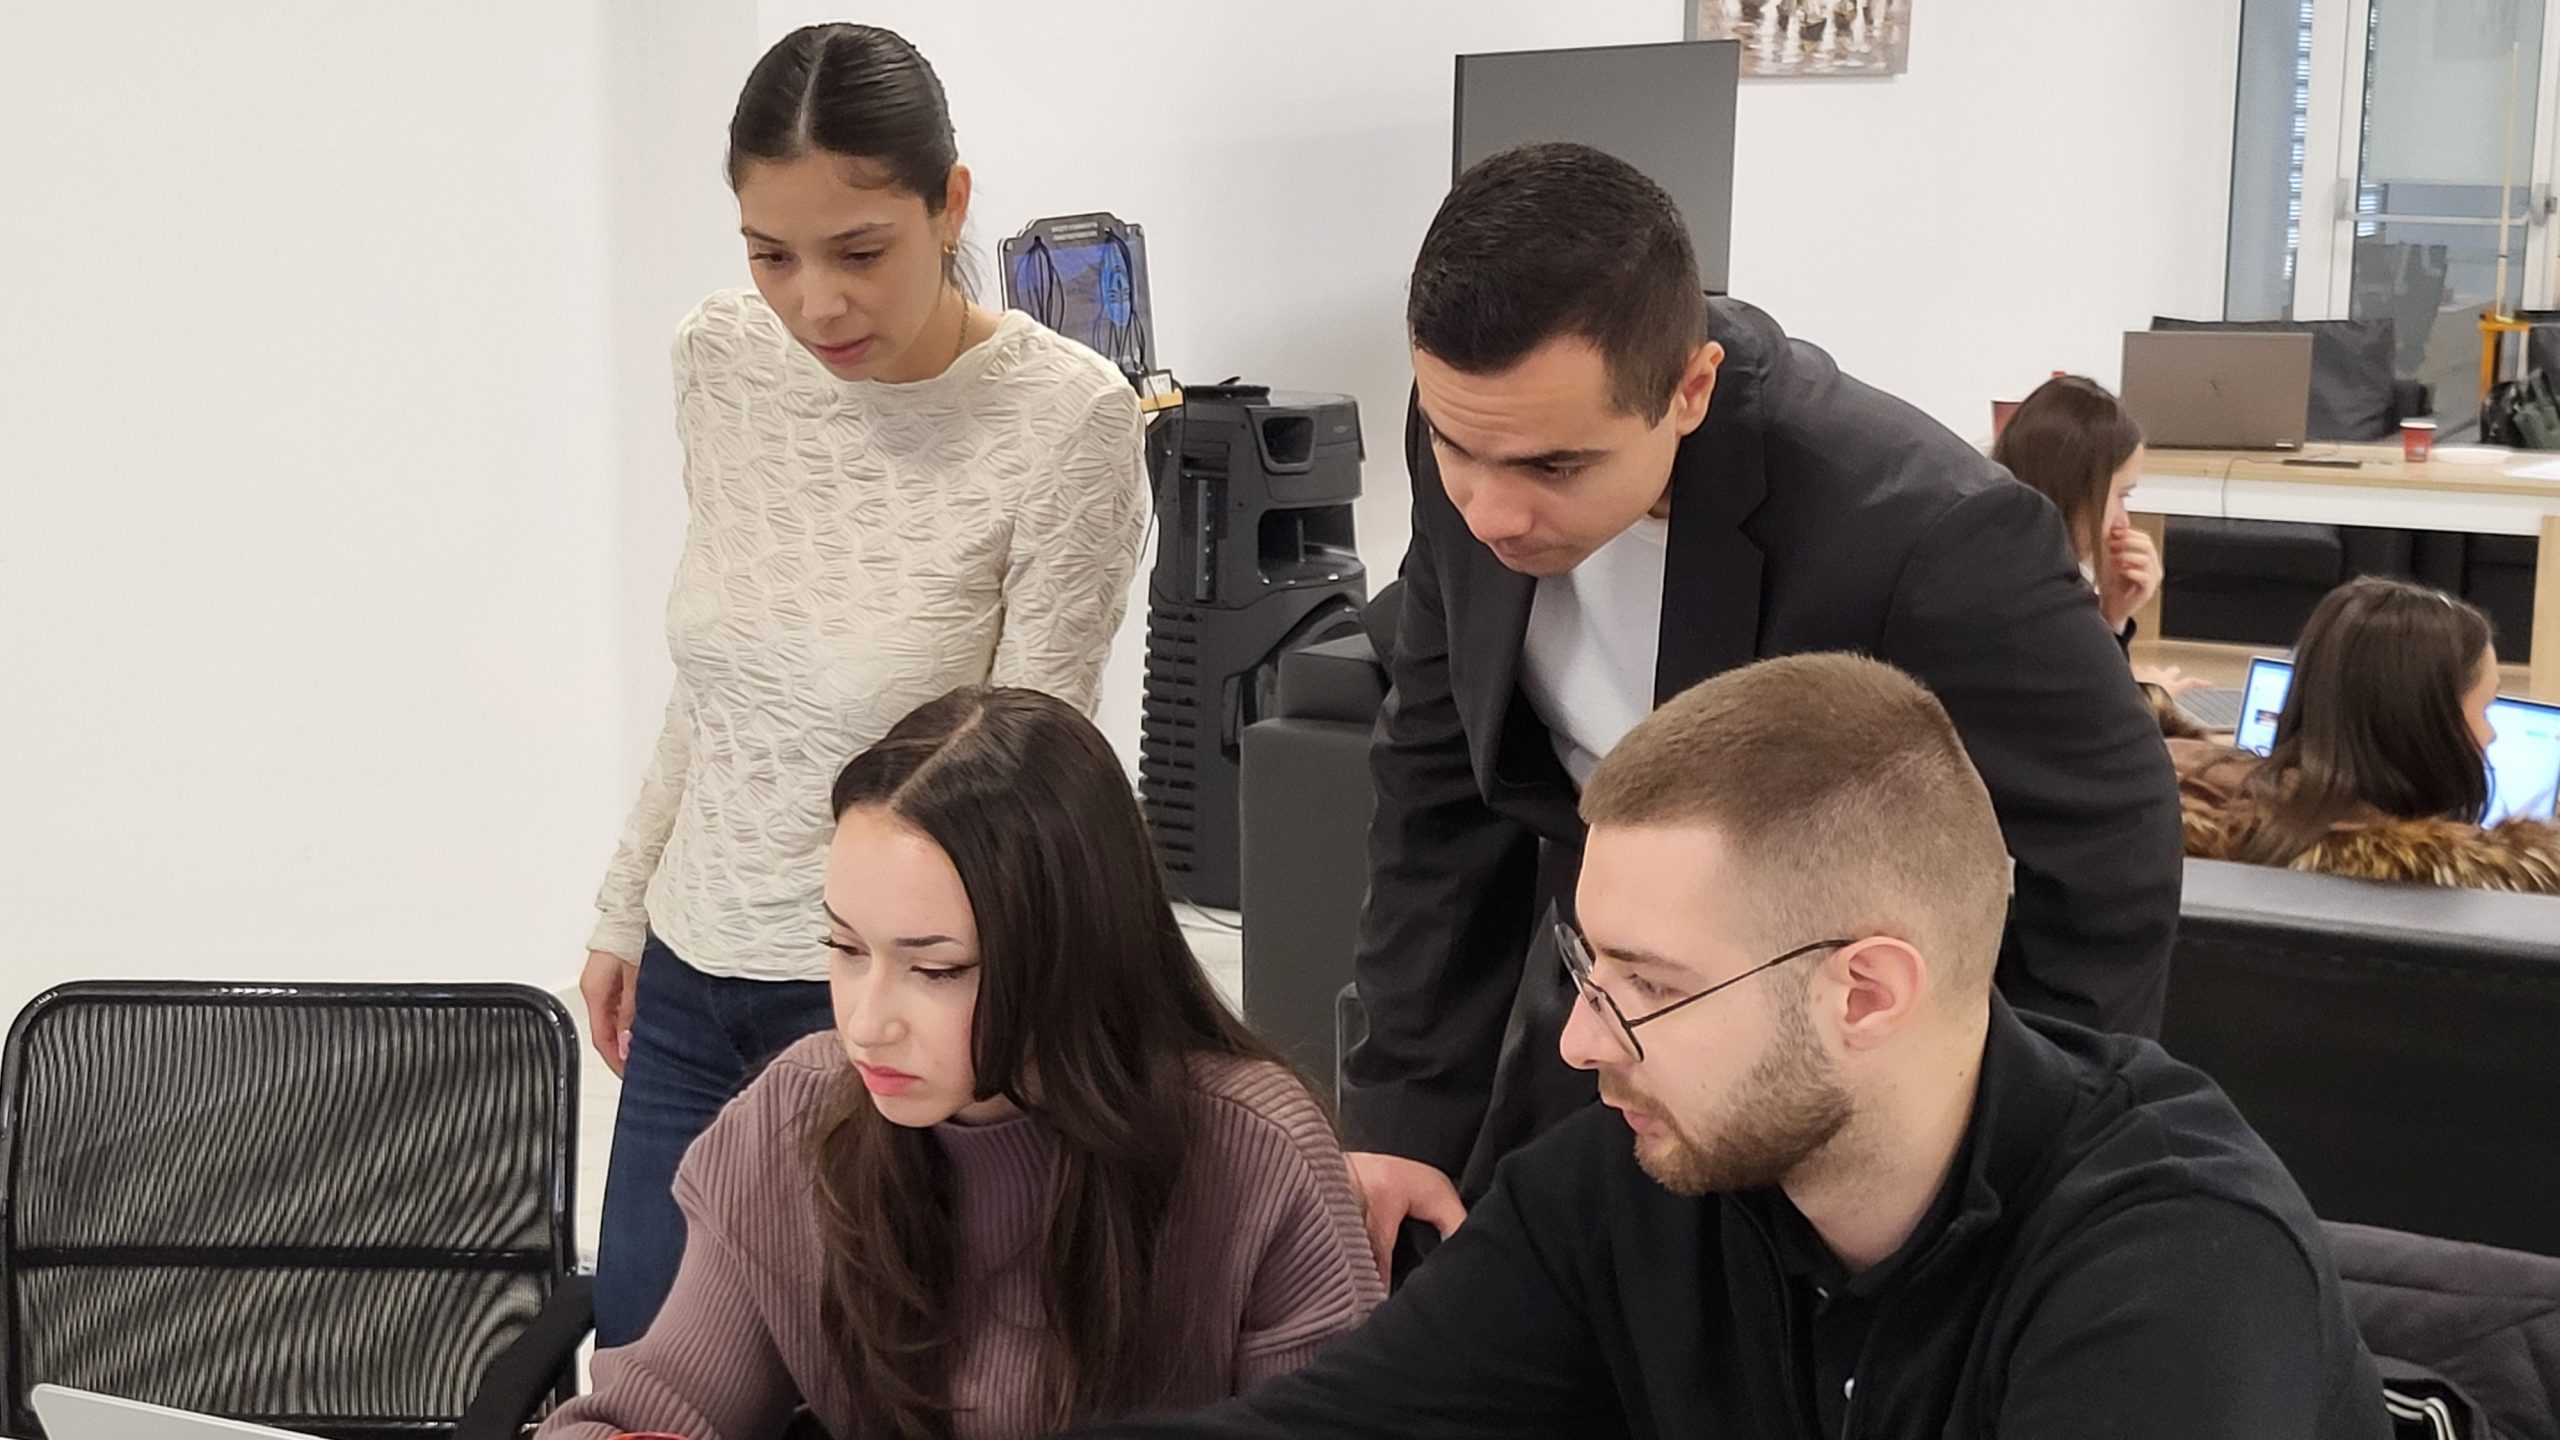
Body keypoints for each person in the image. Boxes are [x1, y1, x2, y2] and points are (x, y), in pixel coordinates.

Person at [1064, 654, 2387, 1440]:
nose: (1584, 1040)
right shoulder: (1629, 1185)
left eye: (1648, 986)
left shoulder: (2177, 1268)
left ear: (1864, 993)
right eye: (1586, 966)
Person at [1342, 142, 2183, 1270]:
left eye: (1553, 468)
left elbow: (2107, 856)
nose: (1489, 512)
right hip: (1606, 1011)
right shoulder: (1477, 422)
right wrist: (1399, 1124)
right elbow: (1439, 798)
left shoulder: (1926, 535)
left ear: (1689, 391)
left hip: (1844, 1065)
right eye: (1457, 450)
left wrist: (2002, 1181)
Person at [581, 24, 1151, 1344]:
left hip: (882, 996)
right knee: (645, 1370)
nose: (814, 305)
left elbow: (1035, 775)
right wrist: (625, 908)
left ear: (950, 204)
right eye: (771, 254)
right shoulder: (722, 359)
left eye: (858, 252)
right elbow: (717, 681)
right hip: (688, 970)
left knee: (857, 1378)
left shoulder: (1063, 418)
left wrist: (974, 1021)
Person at [543, 688, 1381, 1440]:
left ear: (1069, 956)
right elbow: (644, 1410)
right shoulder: (793, 1116)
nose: (866, 1024)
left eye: (937, 969)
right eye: (844, 948)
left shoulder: (1253, 1152)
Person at [2178, 577, 2560, 891]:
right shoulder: (2495, 888)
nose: (2491, 735)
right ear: (2430, 727)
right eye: (2485, 709)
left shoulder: (2180, 814)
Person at [1990, 373, 2204, 700]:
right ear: (2076, 492)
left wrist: (2111, 619)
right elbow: (2102, 720)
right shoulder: (2045, 610)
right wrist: (2154, 700)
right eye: (2120, 495)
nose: (2123, 521)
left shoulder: (1995, 571)